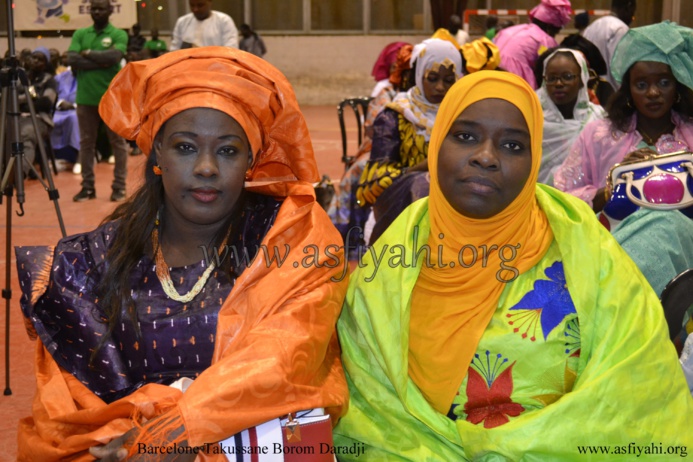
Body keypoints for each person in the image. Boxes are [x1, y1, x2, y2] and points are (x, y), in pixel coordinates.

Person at [333, 70, 693, 460]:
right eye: (465, 136)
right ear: (436, 144)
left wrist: (508, 450)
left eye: (513, 145)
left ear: (534, 157)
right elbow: (368, 399)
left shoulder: (580, 242)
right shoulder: (396, 251)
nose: (485, 157)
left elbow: (631, 380)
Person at [15, 46, 349, 461]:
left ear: (252, 160)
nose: (207, 167)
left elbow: (284, 361)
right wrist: (132, 444)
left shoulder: (294, 240)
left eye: (227, 150)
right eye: (186, 147)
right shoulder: (88, 264)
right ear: (156, 152)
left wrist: (177, 435)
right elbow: (64, 413)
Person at [554, 21, 693, 211]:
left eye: (663, 82)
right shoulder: (599, 136)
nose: (653, 93)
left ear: (677, 86)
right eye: (641, 85)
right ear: (628, 90)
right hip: (611, 238)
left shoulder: (690, 135)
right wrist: (616, 184)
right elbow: (563, 199)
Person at [356, 38, 462, 244]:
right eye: (432, 78)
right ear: (419, 75)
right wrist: (419, 171)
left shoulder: (462, 114)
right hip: (401, 210)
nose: (440, 87)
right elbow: (376, 180)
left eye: (449, 80)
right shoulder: (395, 116)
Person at [329, 44, 414, 259]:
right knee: (361, 171)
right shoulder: (388, 93)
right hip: (384, 151)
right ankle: (349, 233)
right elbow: (372, 128)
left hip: (415, 156)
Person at [67, 0, 129, 202]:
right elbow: (72, 59)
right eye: (93, 8)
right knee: (86, 144)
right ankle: (87, 187)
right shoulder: (80, 34)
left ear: (110, 11)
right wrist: (100, 60)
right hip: (85, 98)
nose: (97, 12)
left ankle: (119, 187)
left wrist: (88, 54)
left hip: (112, 98)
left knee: (117, 143)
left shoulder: (119, 34)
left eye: (101, 8)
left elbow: (114, 57)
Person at [536, 48, 606, 184]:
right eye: (551, 78)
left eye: (567, 77)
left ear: (582, 79)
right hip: (540, 199)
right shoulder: (532, 117)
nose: (558, 84)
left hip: (588, 200)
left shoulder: (598, 117)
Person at [493, 0, 573, 89]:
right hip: (514, 81)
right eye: (556, 31)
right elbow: (549, 71)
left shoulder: (510, 30)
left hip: (489, 74)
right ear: (549, 28)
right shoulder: (544, 39)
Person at [16, 47, 57, 178]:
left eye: (41, 59)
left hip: (40, 119)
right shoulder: (21, 78)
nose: (36, 61)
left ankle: (19, 174)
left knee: (25, 135)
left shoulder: (50, 80)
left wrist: (23, 102)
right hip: (18, 117)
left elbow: (46, 103)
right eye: (34, 57)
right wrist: (30, 98)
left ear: (46, 63)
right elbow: (10, 99)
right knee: (5, 132)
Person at [583, 0, 637, 89]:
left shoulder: (592, 26)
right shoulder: (621, 29)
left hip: (591, 90)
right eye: (633, 12)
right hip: (611, 93)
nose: (632, 17)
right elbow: (619, 69)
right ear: (628, 7)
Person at [170, 0, 238, 50]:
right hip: (187, 67)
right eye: (192, 5)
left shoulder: (224, 21)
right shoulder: (182, 22)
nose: (195, 9)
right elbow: (174, 50)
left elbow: (231, 51)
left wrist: (199, 52)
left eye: (200, 5)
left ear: (210, 2)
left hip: (216, 67)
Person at [50, 61, 80, 167]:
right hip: (59, 109)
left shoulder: (88, 78)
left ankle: (77, 157)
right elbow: (53, 93)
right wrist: (59, 102)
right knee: (49, 118)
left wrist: (74, 106)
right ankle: (53, 155)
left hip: (77, 110)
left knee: (73, 118)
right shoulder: (61, 77)